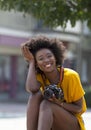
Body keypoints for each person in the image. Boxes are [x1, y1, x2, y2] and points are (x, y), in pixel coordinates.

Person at [21, 36, 87, 130]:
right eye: (41, 58)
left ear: (55, 57)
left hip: (73, 124)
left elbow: (79, 108)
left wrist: (59, 103)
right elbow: (32, 89)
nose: (47, 60)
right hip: (52, 124)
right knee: (35, 96)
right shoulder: (40, 77)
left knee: (46, 104)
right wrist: (31, 62)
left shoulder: (70, 76)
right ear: (37, 63)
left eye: (49, 56)